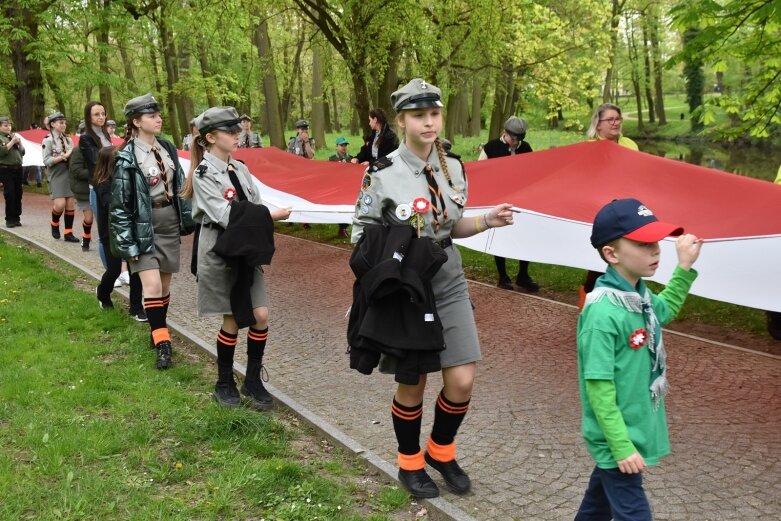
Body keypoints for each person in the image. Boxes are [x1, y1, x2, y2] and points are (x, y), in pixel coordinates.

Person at [350, 78, 517, 498]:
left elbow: (449, 226)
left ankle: (441, 450)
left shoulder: (453, 166)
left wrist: (486, 221)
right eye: (419, 115)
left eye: (434, 114)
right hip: (407, 284)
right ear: (402, 121)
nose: (428, 122)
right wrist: (396, 253)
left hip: (448, 277)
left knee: (461, 378)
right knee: (414, 381)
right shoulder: (381, 173)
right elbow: (361, 237)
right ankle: (410, 462)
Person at [576, 198, 702, 521]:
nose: (656, 251)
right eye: (644, 244)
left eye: (656, 242)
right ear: (612, 254)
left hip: (632, 430)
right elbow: (599, 389)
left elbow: (665, 310)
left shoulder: (638, 297)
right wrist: (621, 447)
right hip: (617, 439)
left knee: (595, 509)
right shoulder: (604, 313)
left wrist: (684, 268)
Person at [181, 106, 292, 409]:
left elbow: (253, 202)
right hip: (221, 251)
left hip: (246, 251)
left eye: (237, 129)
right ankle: (224, 381)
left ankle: (253, 380)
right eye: (231, 131)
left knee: (260, 315)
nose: (237, 134)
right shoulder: (204, 173)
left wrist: (265, 214)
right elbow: (226, 214)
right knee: (232, 318)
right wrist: (269, 215)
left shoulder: (239, 169)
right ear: (211, 137)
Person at [110, 94, 194, 369]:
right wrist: (128, 244)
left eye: (158, 114)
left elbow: (180, 184)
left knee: (165, 286)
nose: (158, 119)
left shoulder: (167, 147)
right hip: (142, 226)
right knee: (153, 286)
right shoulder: (126, 156)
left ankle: (156, 331)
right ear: (136, 122)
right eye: (151, 116)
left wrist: (187, 216)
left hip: (168, 222)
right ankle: (163, 344)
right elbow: (120, 205)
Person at [580, 104, 641, 307]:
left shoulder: (630, 144)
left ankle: (624, 301)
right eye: (610, 119)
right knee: (601, 258)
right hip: (602, 210)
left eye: (618, 118)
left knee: (627, 256)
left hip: (627, 209)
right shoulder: (589, 148)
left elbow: (640, 173)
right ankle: (589, 302)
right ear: (598, 125)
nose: (615, 122)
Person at [478, 116, 540, 292]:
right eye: (513, 138)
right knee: (501, 235)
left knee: (525, 235)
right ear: (505, 132)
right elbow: (480, 171)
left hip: (521, 198)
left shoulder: (526, 148)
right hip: (498, 198)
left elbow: (534, 170)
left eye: (519, 139)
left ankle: (523, 275)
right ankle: (503, 276)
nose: (516, 142)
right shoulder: (491, 147)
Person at [93, 146, 144, 316]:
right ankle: (103, 293)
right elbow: (111, 205)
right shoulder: (103, 184)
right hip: (111, 233)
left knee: (135, 269)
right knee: (114, 269)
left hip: (131, 230)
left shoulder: (127, 180)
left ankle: (136, 308)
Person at [42, 112, 79, 242]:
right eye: (61, 122)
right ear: (52, 124)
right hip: (56, 173)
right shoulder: (48, 140)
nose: (64, 125)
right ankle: (54, 222)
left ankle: (68, 233)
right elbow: (46, 161)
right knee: (60, 204)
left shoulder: (68, 139)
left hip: (69, 173)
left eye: (64, 122)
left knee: (70, 204)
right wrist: (64, 156)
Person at [67, 120, 95, 251]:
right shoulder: (77, 151)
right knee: (89, 218)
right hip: (84, 190)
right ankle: (86, 237)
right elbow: (77, 172)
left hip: (99, 187)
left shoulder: (100, 148)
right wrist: (96, 172)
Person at [0, 116, 25, 228]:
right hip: (6, 169)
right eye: (5, 125)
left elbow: (22, 152)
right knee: (10, 193)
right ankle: (9, 219)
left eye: (9, 125)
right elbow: (2, 152)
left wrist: (19, 142)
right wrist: (12, 142)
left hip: (18, 168)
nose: (8, 127)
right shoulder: (1, 138)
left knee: (18, 193)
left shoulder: (12, 136)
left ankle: (16, 217)